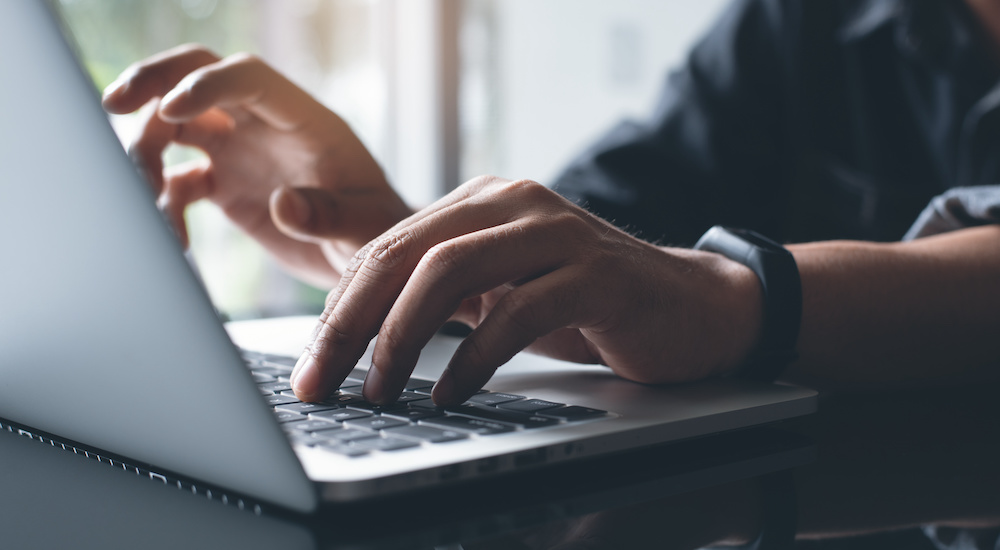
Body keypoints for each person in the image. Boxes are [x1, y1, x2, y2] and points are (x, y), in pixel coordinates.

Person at [101, 0, 1000, 410]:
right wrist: (389, 237)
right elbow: (595, 254)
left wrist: (725, 299)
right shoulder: (800, 21)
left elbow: (670, 291)